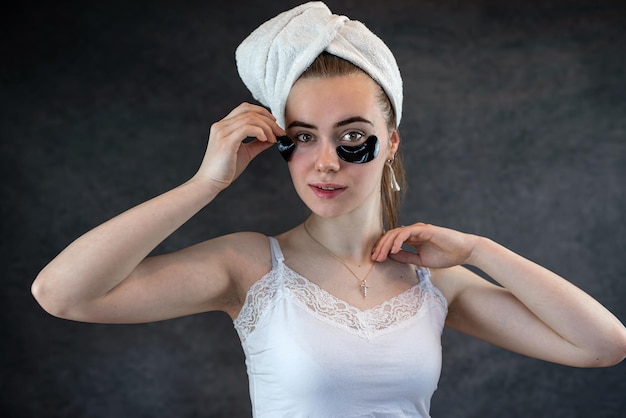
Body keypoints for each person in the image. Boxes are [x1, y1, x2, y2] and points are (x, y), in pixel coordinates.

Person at [32, 2, 626, 417]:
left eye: (352, 136)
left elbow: (603, 345)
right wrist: (203, 184)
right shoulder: (248, 266)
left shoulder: (437, 281)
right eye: (302, 136)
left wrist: (479, 251)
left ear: (391, 143)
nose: (325, 163)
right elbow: (62, 294)